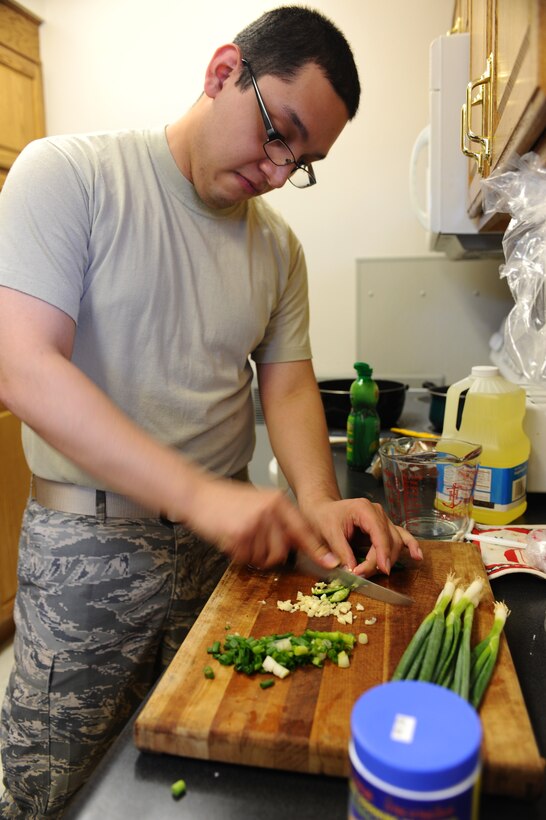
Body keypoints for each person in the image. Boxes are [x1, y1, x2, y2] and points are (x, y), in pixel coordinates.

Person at [0, 5, 422, 816]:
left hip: (226, 557)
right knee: (52, 790)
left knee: (196, 782)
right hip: (86, 552)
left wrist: (318, 499)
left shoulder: (277, 248)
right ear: (224, 71)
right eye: (279, 132)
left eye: (303, 159)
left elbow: (289, 383)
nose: (277, 170)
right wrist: (197, 493)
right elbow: (23, 368)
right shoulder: (68, 175)